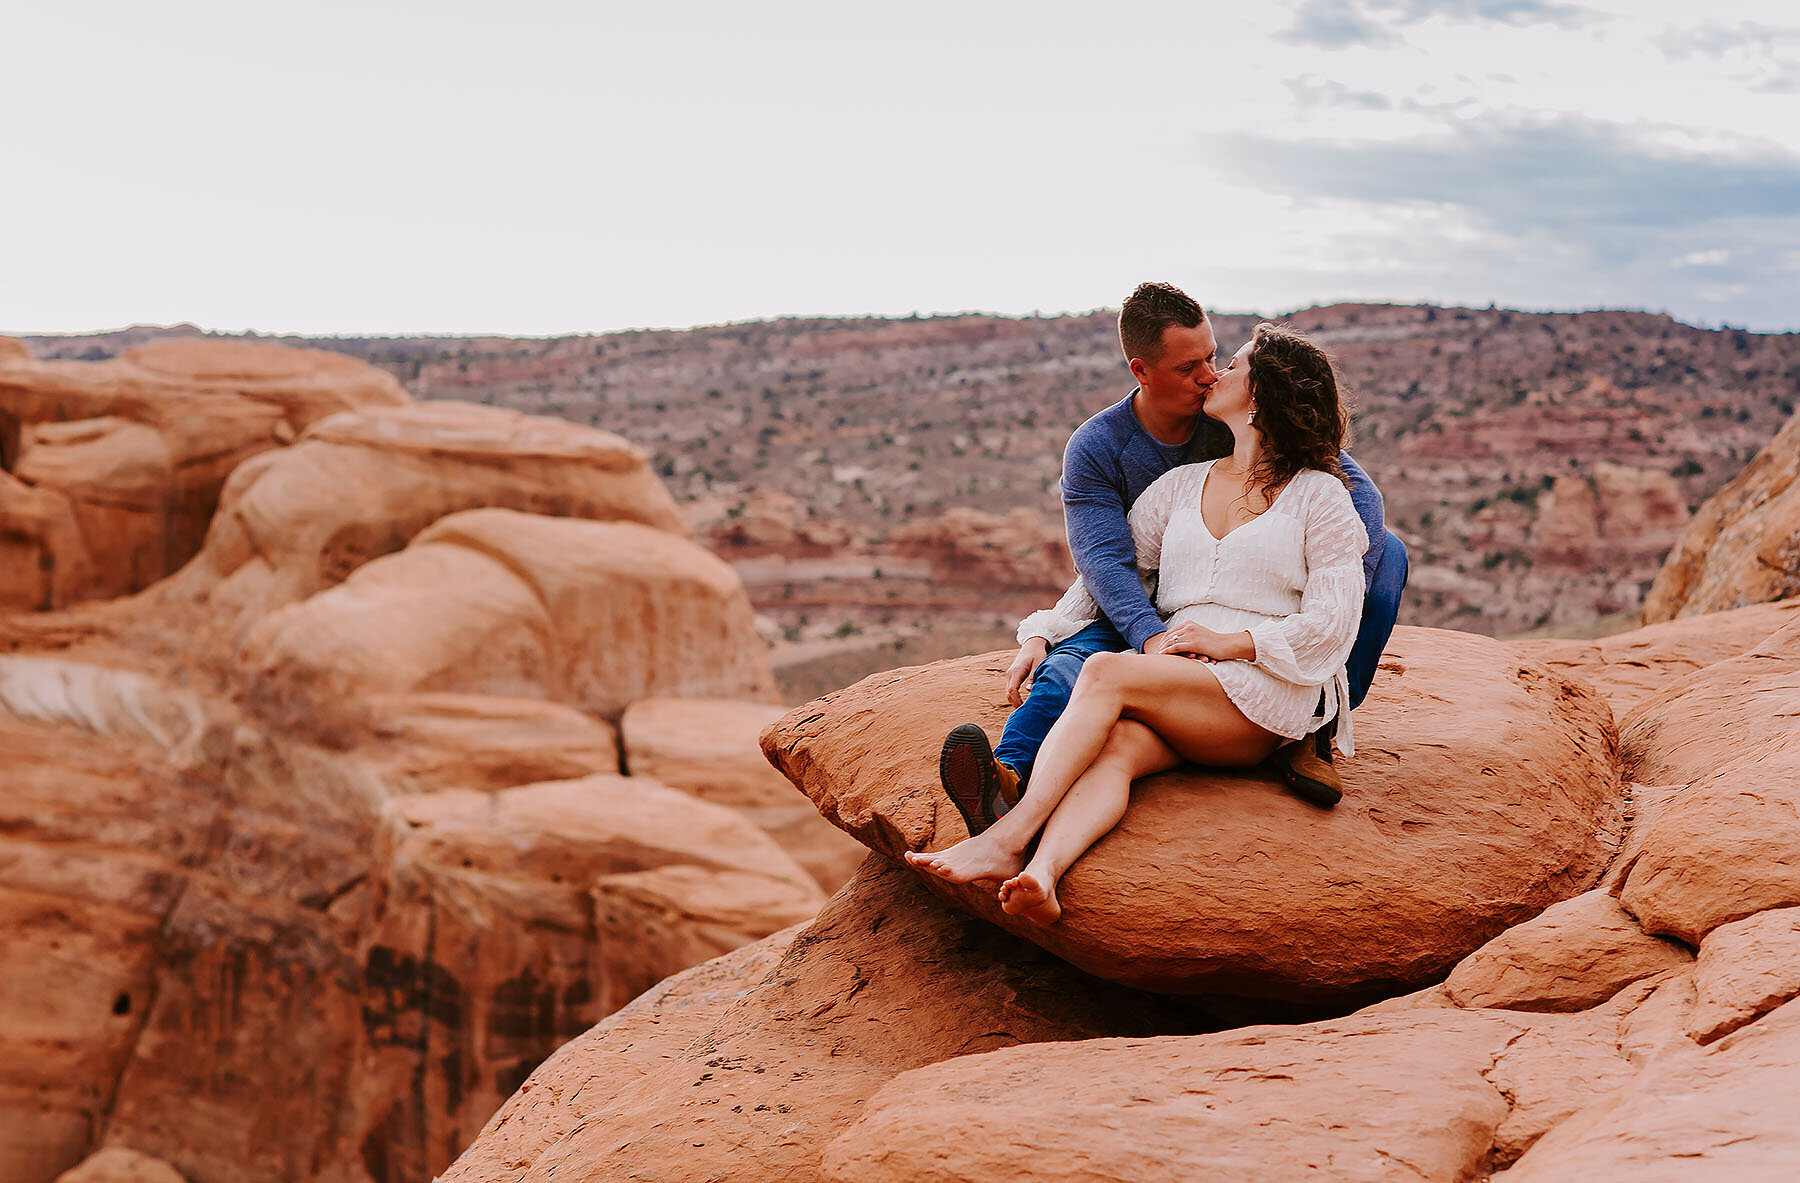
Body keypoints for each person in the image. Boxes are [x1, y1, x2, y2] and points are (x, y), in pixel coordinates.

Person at [908, 321, 1370, 924]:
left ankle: (1005, 836)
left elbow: (1335, 621)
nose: (1216, 374)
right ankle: (1040, 876)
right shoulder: (1180, 487)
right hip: (1185, 687)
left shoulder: (1319, 497)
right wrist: (1046, 629)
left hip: (1262, 690)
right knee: (1118, 748)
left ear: (1261, 396)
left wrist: (1234, 643)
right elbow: (1114, 572)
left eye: (1232, 365)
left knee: (1104, 673)